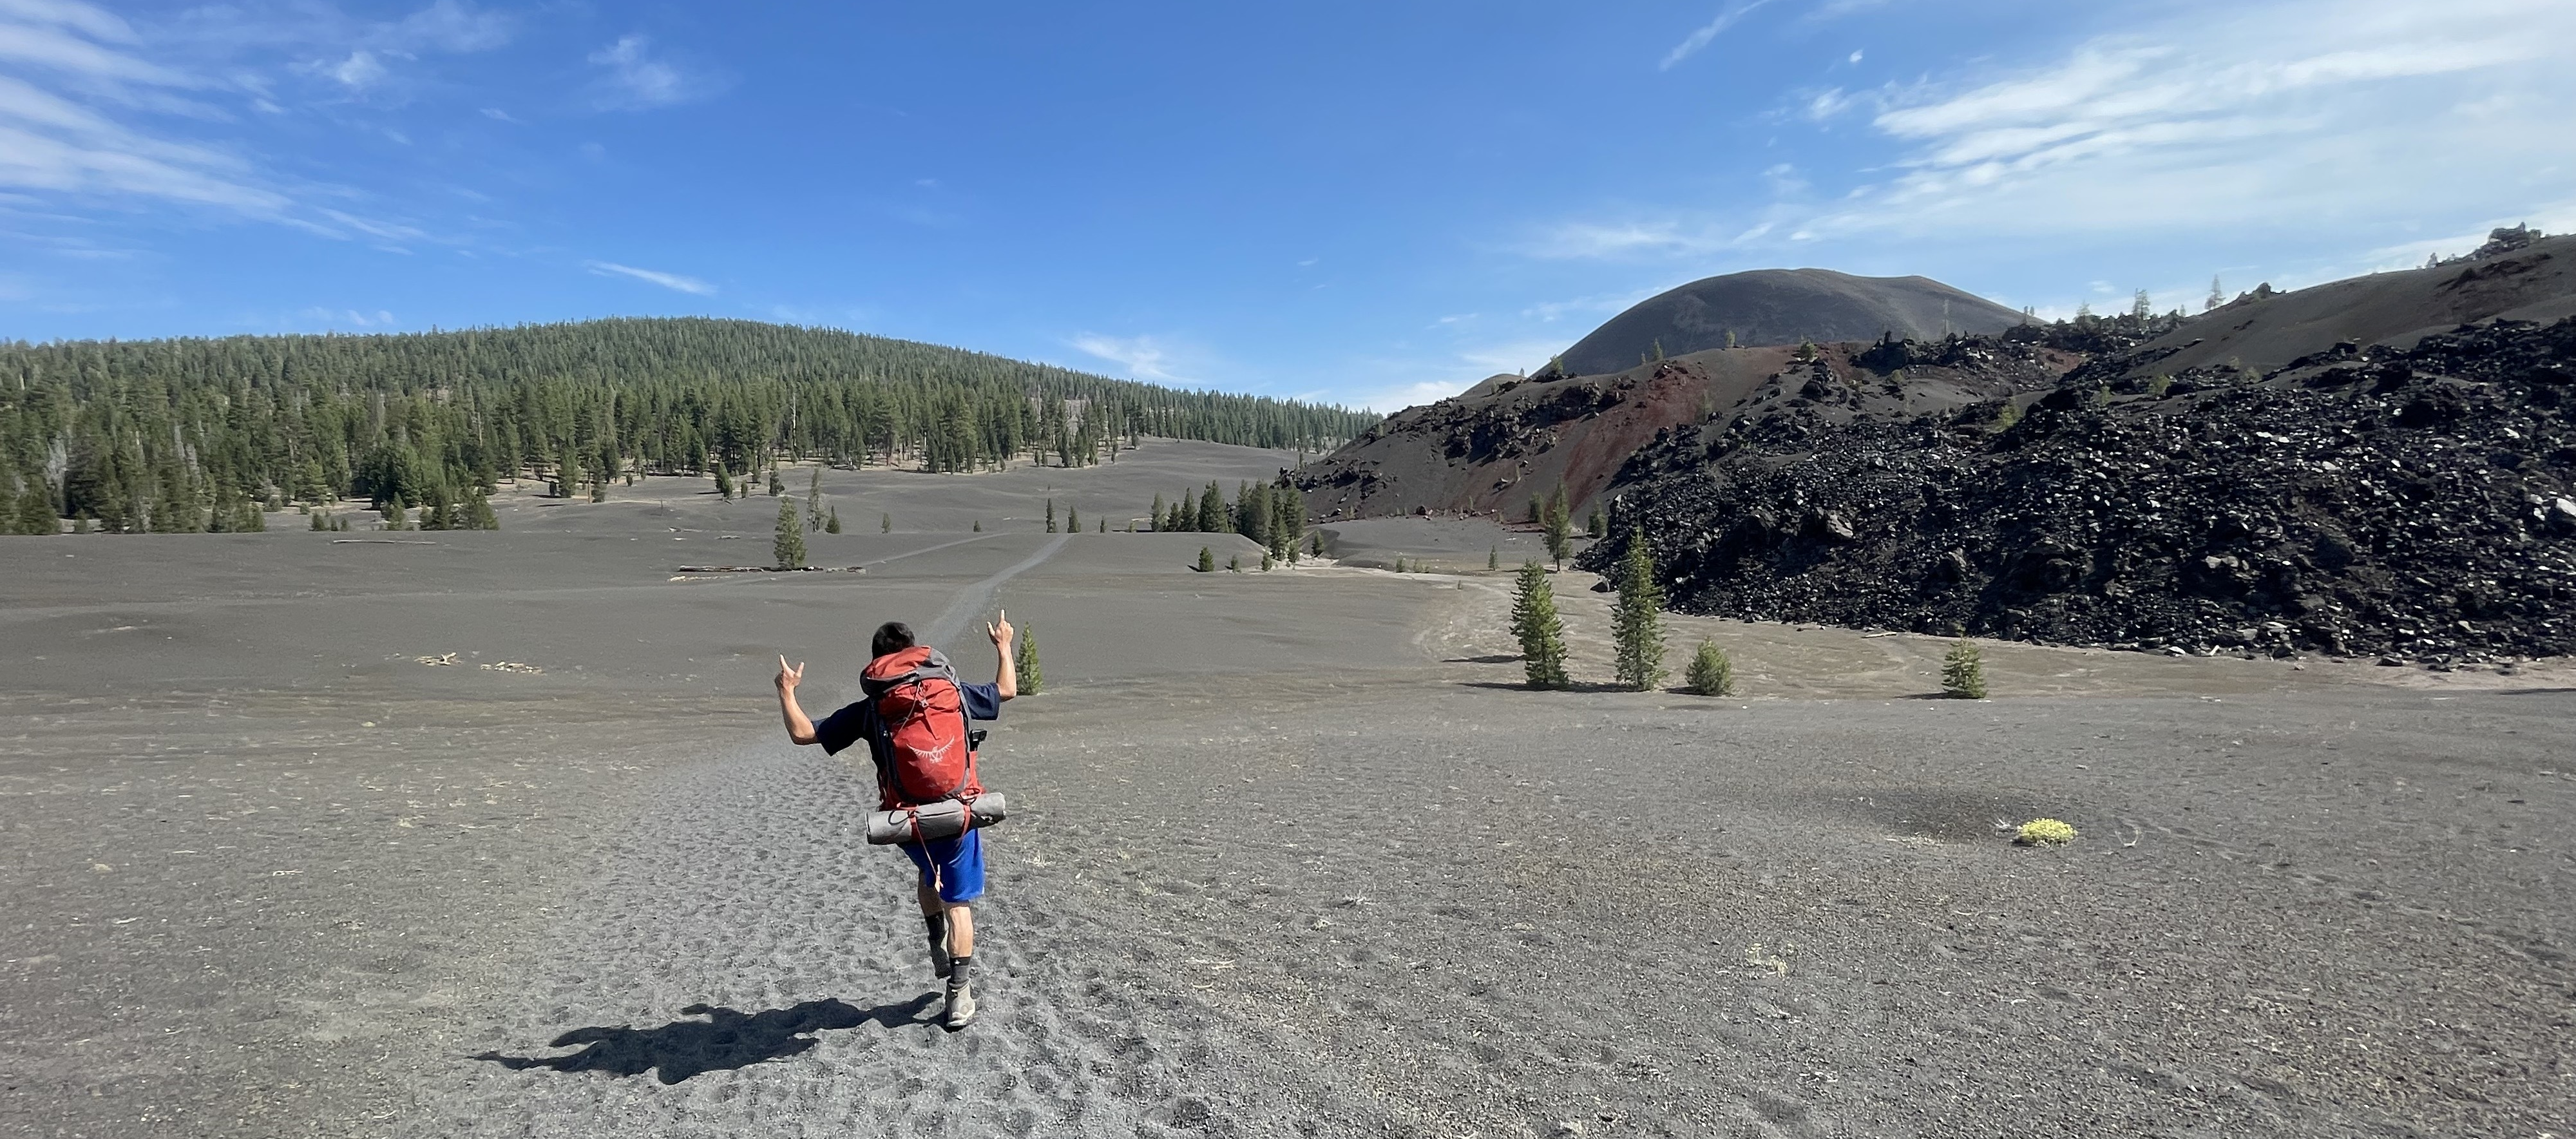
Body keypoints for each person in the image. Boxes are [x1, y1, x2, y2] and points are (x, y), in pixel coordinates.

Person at [774, 612, 1016, 1029]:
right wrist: (1003, 646)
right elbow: (1007, 691)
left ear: (878, 663)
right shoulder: (950, 691)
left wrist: (787, 691)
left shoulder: (874, 708)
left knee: (928, 872)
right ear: (914, 654)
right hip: (958, 814)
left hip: (907, 823)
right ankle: (958, 996)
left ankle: (933, 939)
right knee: (959, 903)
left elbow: (803, 733)